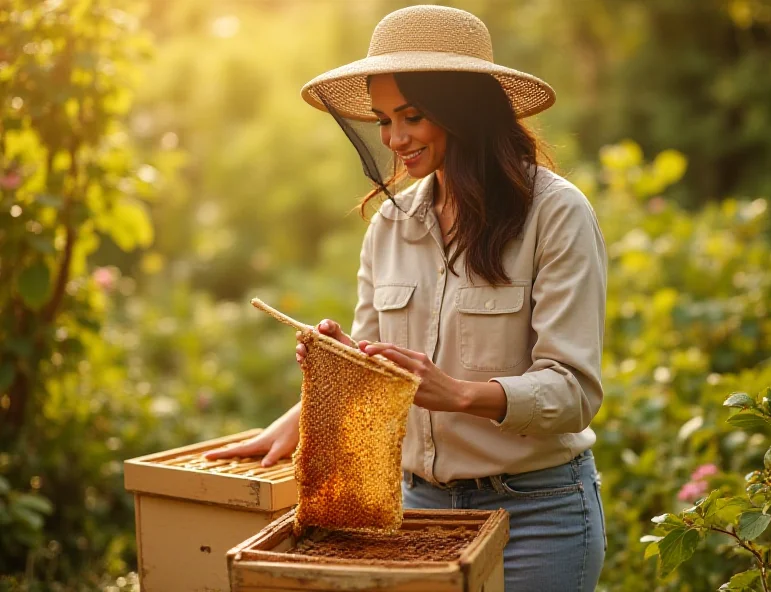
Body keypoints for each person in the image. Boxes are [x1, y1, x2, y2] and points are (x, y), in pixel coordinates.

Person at [206, 5, 607, 591]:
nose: (395, 139)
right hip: (413, 511)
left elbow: (575, 392)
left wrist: (461, 394)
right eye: (383, 120)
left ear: (462, 111)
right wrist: (332, 377)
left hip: (535, 516)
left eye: (412, 116)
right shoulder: (390, 227)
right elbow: (379, 364)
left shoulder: (556, 214)